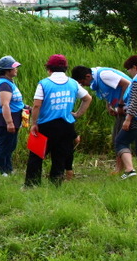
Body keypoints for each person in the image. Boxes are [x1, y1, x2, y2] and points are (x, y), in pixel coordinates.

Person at [24, 54, 92, 187]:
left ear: (49, 68)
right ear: (65, 68)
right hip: (67, 125)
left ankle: (31, 184)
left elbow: (37, 105)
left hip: (46, 126)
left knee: (36, 156)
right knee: (60, 157)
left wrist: (34, 124)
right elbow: (87, 98)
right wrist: (77, 114)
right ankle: (56, 184)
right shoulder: (73, 83)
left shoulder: (44, 84)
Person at [72, 65, 132, 173]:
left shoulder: (104, 75)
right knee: (117, 138)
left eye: (82, 82)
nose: (83, 86)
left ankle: (124, 169)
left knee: (120, 139)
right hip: (122, 108)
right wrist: (109, 105)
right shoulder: (95, 80)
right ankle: (120, 168)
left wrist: (121, 104)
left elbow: (127, 84)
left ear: (88, 76)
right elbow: (108, 92)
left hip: (130, 107)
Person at [0, 56, 24, 176]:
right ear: (7, 70)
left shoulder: (8, 82)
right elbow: (4, 104)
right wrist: (9, 122)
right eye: (14, 67)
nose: (16, 70)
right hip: (4, 120)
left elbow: (13, 102)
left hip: (13, 117)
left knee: (11, 144)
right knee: (4, 145)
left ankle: (8, 168)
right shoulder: (4, 84)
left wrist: (24, 107)